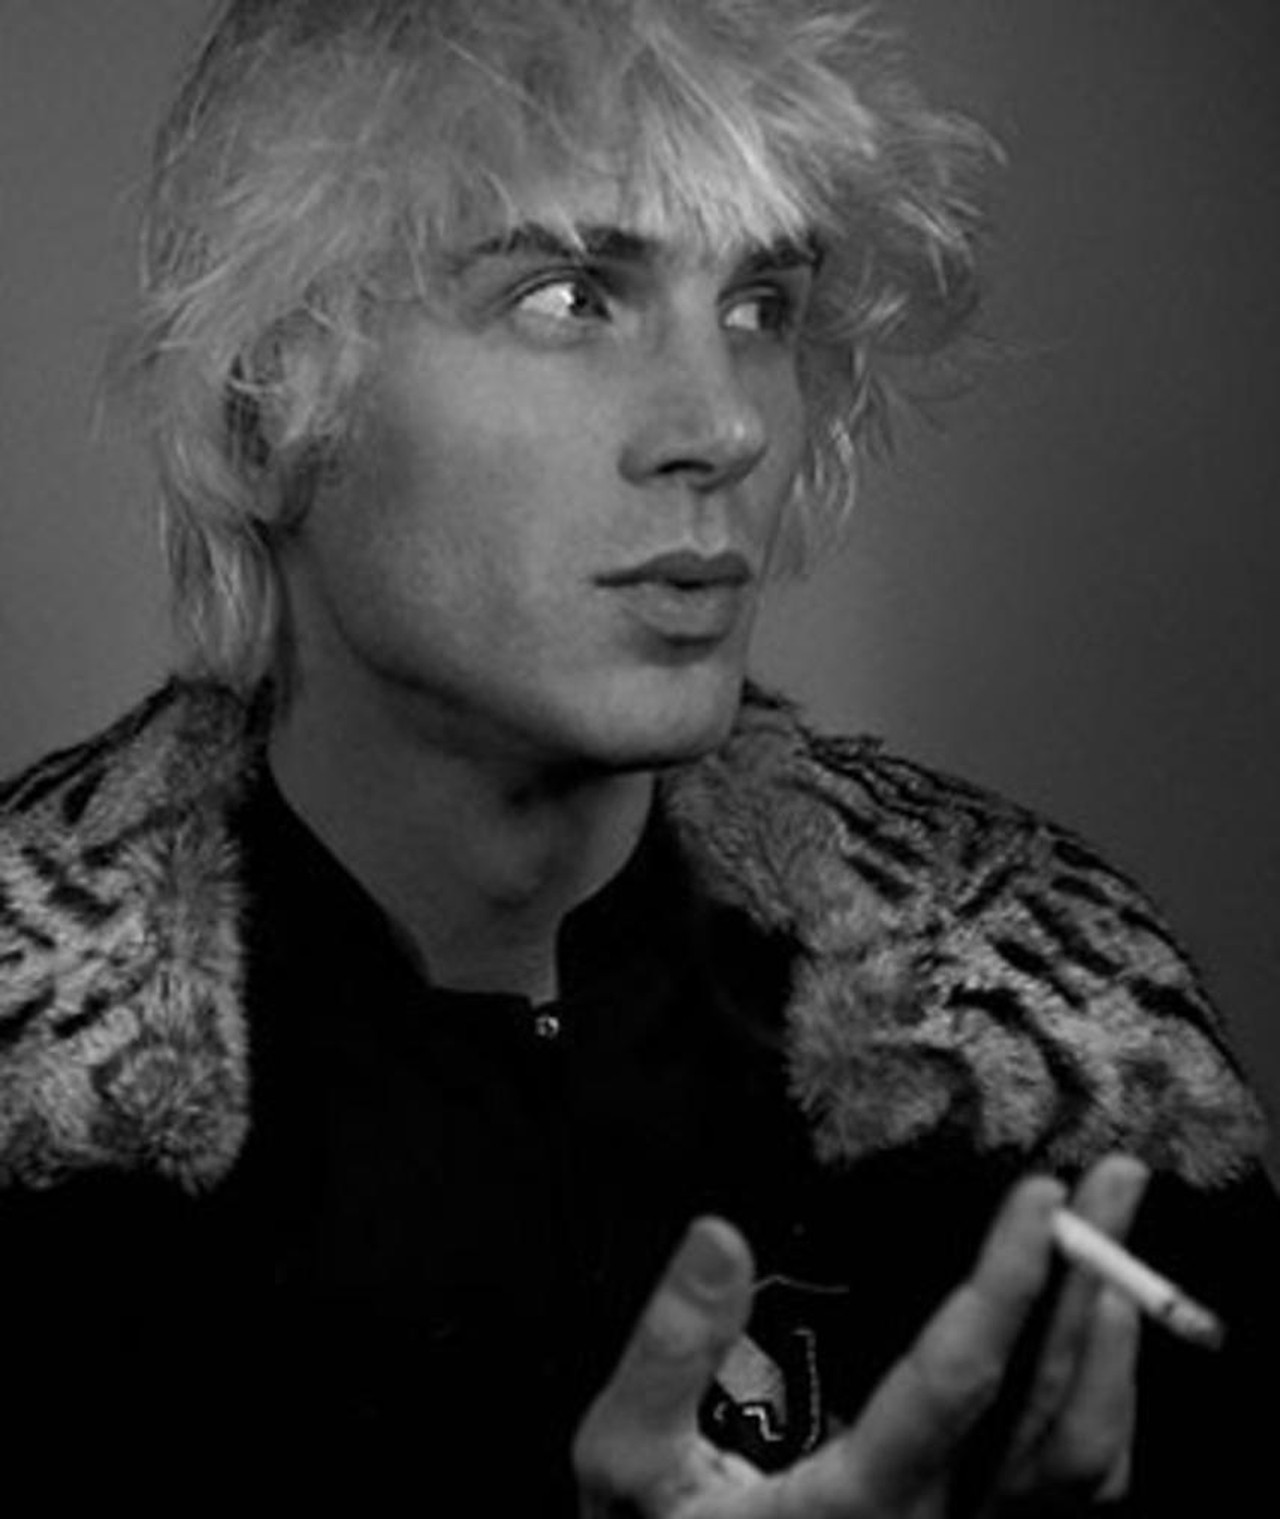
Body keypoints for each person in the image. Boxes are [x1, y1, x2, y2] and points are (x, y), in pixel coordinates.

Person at [1, 1, 1276, 1513]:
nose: (723, 425)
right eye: (567, 295)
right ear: (265, 406)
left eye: (760, 305)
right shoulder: (35, 1091)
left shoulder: (1043, 1045)